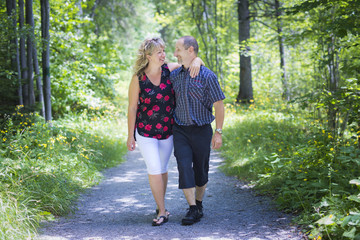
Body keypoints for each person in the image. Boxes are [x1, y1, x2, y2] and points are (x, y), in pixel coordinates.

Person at [127, 37, 203, 226]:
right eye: (159, 52)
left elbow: (191, 60)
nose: (163, 55)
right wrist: (130, 135)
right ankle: (162, 211)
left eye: (164, 51)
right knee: (154, 168)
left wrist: (198, 60)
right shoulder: (138, 77)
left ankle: (160, 204)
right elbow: (132, 108)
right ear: (148, 56)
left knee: (162, 169)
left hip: (168, 132)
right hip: (145, 132)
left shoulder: (170, 70)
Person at [170, 36, 225, 225]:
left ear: (190, 50)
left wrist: (218, 132)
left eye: (178, 49)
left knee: (201, 170)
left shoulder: (207, 76)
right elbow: (158, 66)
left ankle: (199, 204)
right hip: (180, 130)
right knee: (184, 166)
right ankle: (192, 208)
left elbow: (219, 104)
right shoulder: (174, 75)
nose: (175, 53)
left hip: (202, 130)